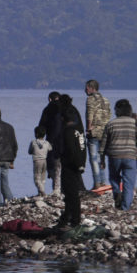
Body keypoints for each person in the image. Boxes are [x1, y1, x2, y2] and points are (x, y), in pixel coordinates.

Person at [100, 98, 137, 210]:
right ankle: (125, 207)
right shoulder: (135, 123)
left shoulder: (110, 124)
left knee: (114, 179)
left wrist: (102, 159)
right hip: (130, 157)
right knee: (129, 184)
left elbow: (103, 144)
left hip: (114, 156)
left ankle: (117, 194)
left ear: (117, 110)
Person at [56, 98, 87, 229]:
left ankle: (74, 220)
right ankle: (68, 218)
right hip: (79, 163)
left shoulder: (67, 132)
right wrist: (81, 164)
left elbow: (70, 149)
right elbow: (81, 147)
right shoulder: (78, 131)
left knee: (71, 193)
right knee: (72, 193)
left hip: (70, 165)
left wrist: (69, 161)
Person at [84, 79, 111, 189]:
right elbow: (109, 114)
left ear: (91, 88)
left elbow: (90, 114)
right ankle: (103, 181)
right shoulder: (106, 100)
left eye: (86, 87)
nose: (85, 90)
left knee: (93, 159)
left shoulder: (90, 99)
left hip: (94, 132)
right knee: (101, 157)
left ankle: (97, 183)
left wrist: (89, 128)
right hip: (105, 131)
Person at [37, 93, 63, 193]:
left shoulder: (48, 109)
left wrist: (39, 138)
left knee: (53, 164)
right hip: (66, 140)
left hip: (52, 140)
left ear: (49, 99)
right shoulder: (66, 108)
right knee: (61, 165)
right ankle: (61, 188)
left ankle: (56, 189)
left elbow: (42, 126)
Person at [28, 125, 51, 197]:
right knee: (42, 178)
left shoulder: (33, 142)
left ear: (36, 134)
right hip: (45, 161)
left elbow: (29, 152)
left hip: (37, 161)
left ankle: (42, 192)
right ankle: (40, 193)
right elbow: (50, 149)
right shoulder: (47, 143)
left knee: (36, 179)